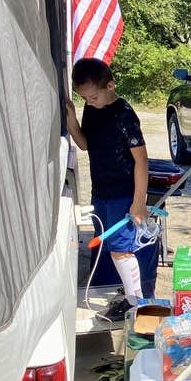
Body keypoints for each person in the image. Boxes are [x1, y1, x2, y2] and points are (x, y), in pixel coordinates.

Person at [65, 58, 149, 318]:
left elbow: (141, 160)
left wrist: (139, 202)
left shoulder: (124, 114)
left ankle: (136, 302)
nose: (90, 102)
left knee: (122, 249)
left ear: (110, 85)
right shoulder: (92, 110)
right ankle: (129, 296)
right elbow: (85, 144)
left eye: (93, 97)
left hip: (123, 194)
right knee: (112, 246)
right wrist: (71, 120)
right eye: (84, 99)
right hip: (100, 192)